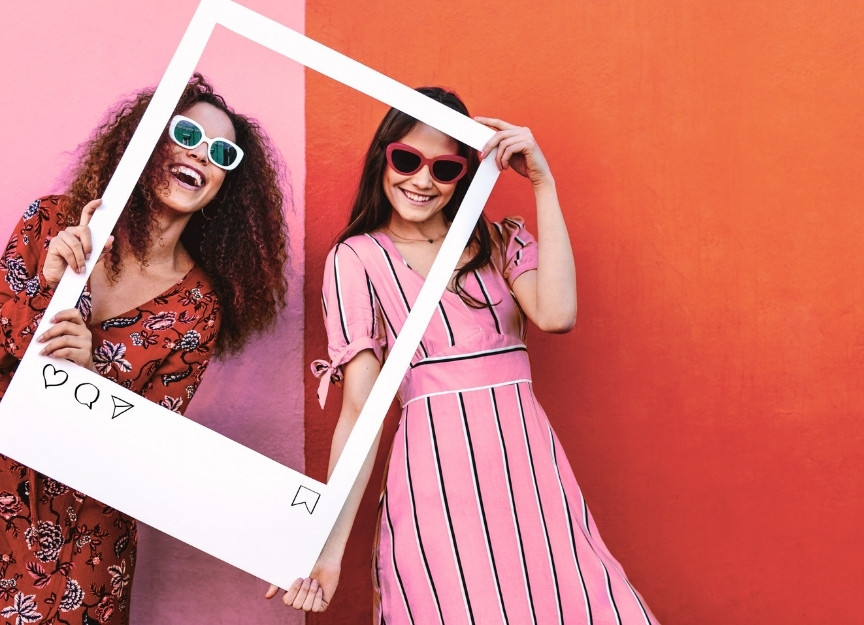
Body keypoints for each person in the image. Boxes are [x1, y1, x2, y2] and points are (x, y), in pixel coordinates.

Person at [268, 87, 659, 624]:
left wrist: (543, 181)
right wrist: (326, 554)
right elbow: (359, 410)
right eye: (406, 160)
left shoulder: (497, 243)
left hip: (530, 476)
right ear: (382, 158)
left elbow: (556, 315)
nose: (422, 180)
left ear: (463, 175)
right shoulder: (356, 258)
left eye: (444, 168)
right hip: (434, 487)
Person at [0, 74, 288, 625]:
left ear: (225, 187)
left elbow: (148, 449)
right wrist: (50, 283)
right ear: (149, 139)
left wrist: (87, 379)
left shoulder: (197, 306)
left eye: (222, 154)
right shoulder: (52, 225)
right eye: (186, 135)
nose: (202, 157)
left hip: (83, 545)